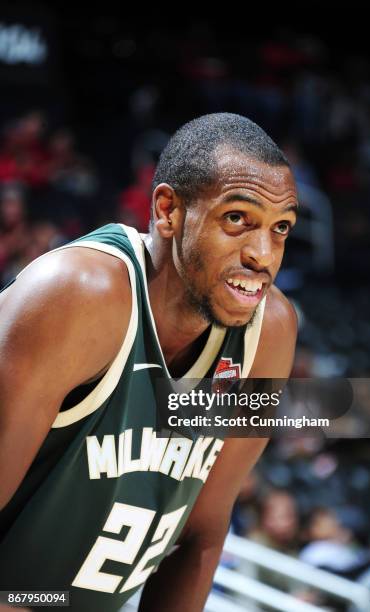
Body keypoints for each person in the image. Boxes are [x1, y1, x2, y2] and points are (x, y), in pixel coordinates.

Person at [0, 113, 298, 611]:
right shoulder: (76, 296)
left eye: (281, 228)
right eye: (237, 219)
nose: (263, 255)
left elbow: (199, 537)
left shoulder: (269, 333)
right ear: (167, 210)